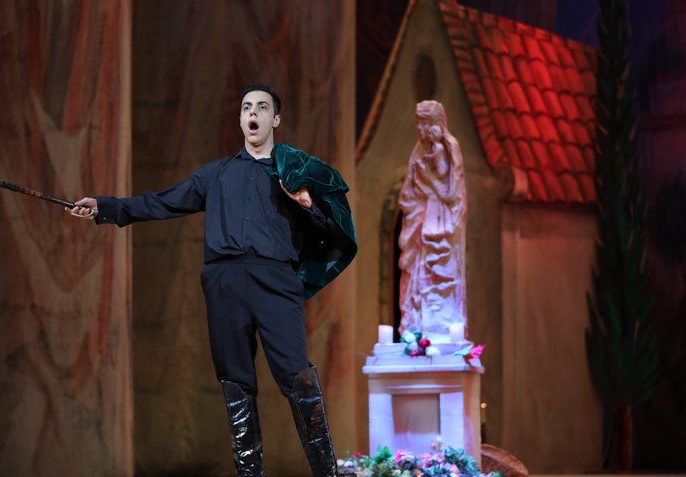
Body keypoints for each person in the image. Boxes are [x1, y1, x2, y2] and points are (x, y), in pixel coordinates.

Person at [68, 84, 355, 477]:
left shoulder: (292, 173)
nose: (253, 113)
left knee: (297, 376)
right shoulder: (217, 174)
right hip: (224, 283)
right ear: (240, 118)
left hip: (275, 280)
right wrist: (106, 207)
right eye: (247, 107)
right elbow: (163, 201)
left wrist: (308, 206)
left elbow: (331, 231)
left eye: (262, 107)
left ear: (275, 119)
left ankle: (327, 473)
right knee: (236, 380)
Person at [397, 100, 467, 339]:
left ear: (438, 124)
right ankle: (417, 324)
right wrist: (415, 197)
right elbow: (407, 193)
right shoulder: (418, 150)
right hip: (422, 219)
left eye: (427, 124)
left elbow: (451, 193)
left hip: (442, 222)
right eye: (419, 123)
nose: (421, 129)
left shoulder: (449, 147)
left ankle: (442, 324)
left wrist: (427, 178)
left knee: (441, 272)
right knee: (419, 272)